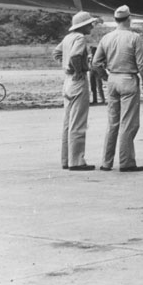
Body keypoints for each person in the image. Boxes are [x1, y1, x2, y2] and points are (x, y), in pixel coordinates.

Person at [92, 5, 143, 171]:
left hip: (113, 79)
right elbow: (142, 64)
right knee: (128, 123)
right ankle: (126, 162)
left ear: (116, 19)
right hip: (128, 79)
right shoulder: (134, 38)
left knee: (112, 123)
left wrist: (105, 76)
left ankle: (106, 162)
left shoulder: (106, 38)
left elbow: (95, 63)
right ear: (129, 19)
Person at [53, 11, 100, 171]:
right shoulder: (79, 38)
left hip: (67, 81)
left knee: (68, 122)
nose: (91, 27)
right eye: (90, 24)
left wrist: (65, 65)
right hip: (77, 80)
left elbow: (57, 52)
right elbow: (75, 56)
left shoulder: (67, 38)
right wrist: (78, 70)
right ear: (83, 25)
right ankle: (77, 160)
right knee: (78, 122)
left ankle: (66, 159)